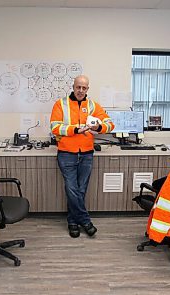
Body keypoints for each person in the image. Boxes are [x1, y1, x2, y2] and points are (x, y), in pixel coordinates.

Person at [50, 75, 115, 238]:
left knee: (81, 189)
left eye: (84, 88)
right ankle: (85, 221)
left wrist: (99, 126)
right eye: (78, 87)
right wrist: (75, 129)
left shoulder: (93, 105)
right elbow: (55, 127)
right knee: (72, 188)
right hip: (66, 153)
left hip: (86, 153)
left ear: (87, 89)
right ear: (73, 86)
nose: (80, 90)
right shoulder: (61, 104)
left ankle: (72, 221)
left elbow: (110, 124)